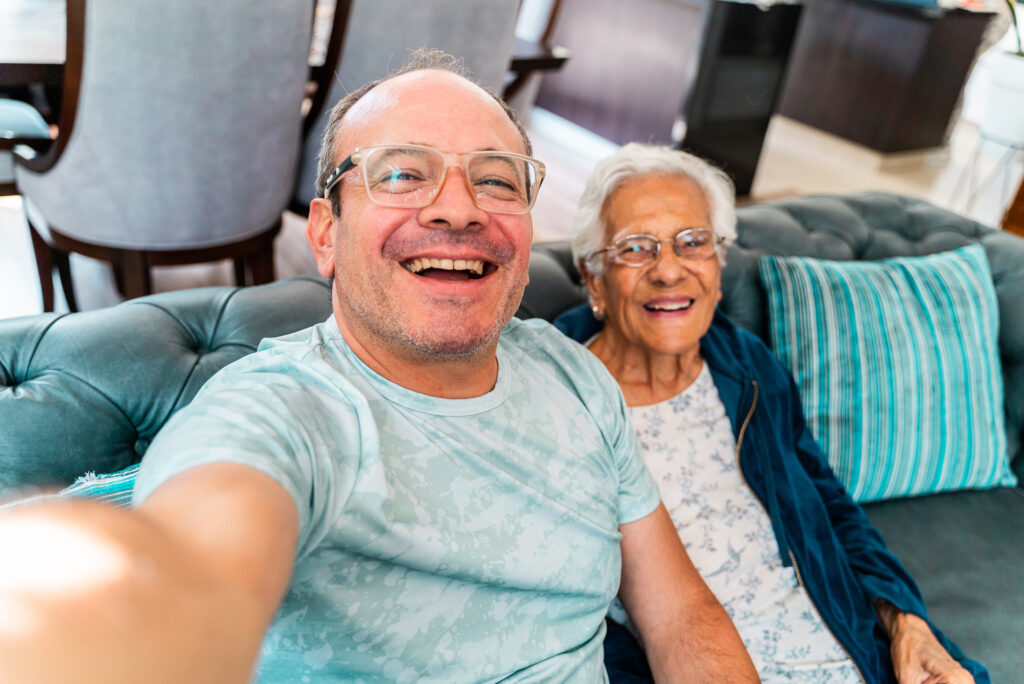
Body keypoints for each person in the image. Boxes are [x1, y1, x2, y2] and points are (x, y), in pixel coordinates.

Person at [0, 55, 759, 682]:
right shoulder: (286, 410)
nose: (458, 209)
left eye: (496, 179)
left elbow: (681, 614)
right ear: (326, 235)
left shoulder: (576, 376)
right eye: (402, 175)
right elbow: (201, 564)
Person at [554, 142, 988, 684]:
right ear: (594, 277)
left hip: (855, 657)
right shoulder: (557, 395)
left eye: (693, 242)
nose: (669, 271)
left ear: (718, 263)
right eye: (637, 248)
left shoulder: (747, 366)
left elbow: (832, 506)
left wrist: (906, 622)